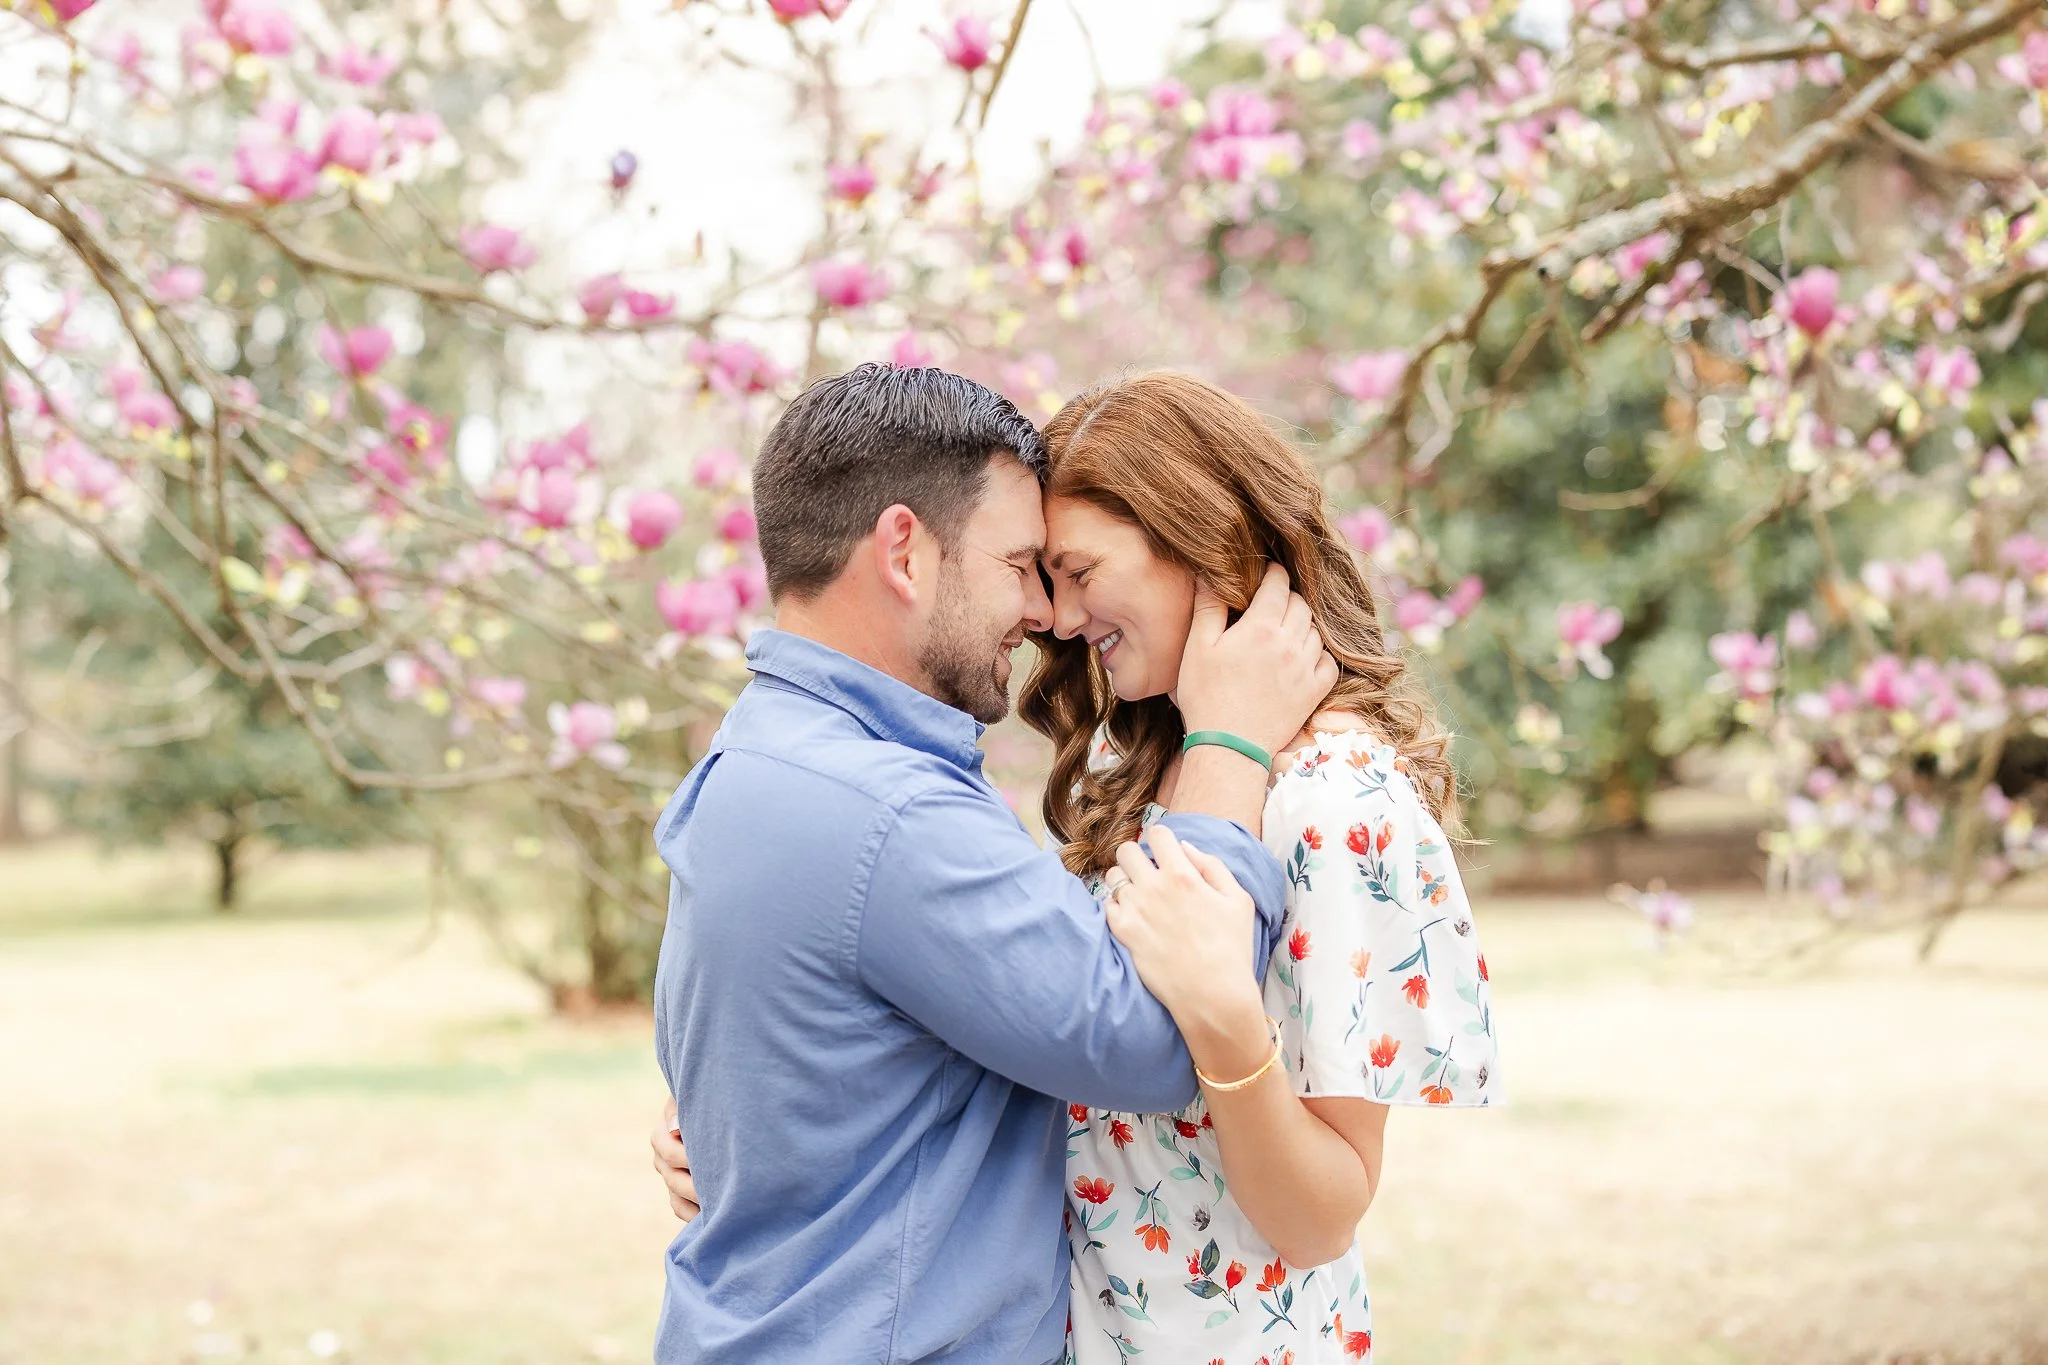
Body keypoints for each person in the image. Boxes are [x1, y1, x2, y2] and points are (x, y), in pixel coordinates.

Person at [657, 370, 1500, 1365]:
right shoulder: (1129, 771)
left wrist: (1229, 1033)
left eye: (1068, 568)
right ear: (903, 550)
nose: (1047, 615)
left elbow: (1320, 1212)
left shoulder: (1329, 799)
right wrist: (767, 1130)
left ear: (1197, 539)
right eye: (1025, 566)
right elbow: (1054, 1016)